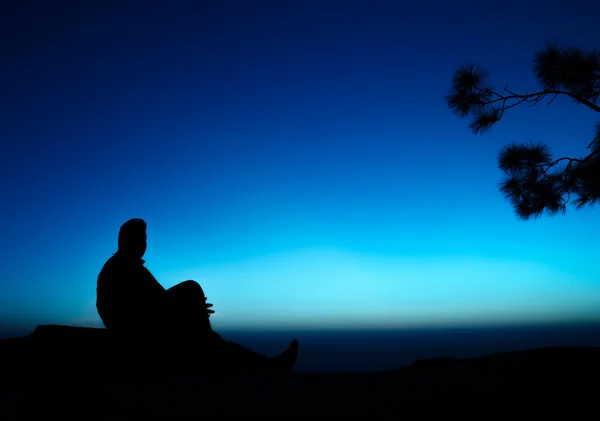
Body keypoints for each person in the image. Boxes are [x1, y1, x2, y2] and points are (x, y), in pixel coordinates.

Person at [96, 218, 298, 371]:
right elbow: (134, 308)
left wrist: (189, 307)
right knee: (192, 292)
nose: (143, 243)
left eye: (144, 238)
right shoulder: (120, 268)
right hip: (139, 333)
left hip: (147, 326)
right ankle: (267, 367)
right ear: (126, 241)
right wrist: (186, 306)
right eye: (139, 238)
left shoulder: (131, 268)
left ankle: (267, 365)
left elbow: (157, 300)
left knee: (210, 337)